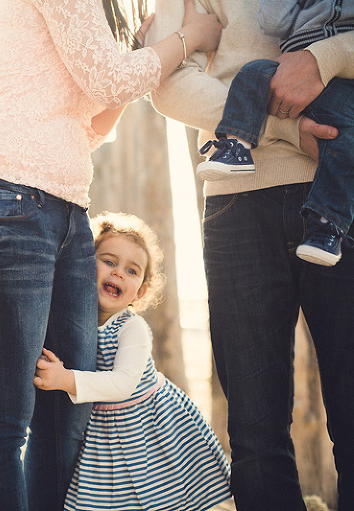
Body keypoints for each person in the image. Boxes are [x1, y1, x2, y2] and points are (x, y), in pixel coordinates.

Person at [0, 0, 222, 509]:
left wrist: (137, 51)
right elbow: (110, 82)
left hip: (64, 212)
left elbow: (93, 125)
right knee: (3, 426)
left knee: (65, 415)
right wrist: (192, 36)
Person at [146, 1, 354, 509]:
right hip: (236, 202)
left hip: (342, 193)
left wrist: (325, 58)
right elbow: (167, 82)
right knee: (255, 439)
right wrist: (283, 128)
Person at [33, 212, 232, 511]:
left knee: (160, 493)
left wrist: (64, 379)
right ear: (84, 264)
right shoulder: (75, 320)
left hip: (149, 423)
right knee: (110, 496)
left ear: (140, 291)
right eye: (109, 261)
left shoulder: (132, 328)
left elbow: (123, 383)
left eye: (131, 270)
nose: (118, 274)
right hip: (106, 427)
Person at [195, 0, 354, 266]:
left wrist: (330, 57)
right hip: (284, 71)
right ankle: (237, 147)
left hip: (346, 85)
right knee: (252, 72)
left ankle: (327, 228)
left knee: (345, 145)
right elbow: (274, 22)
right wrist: (285, 129)